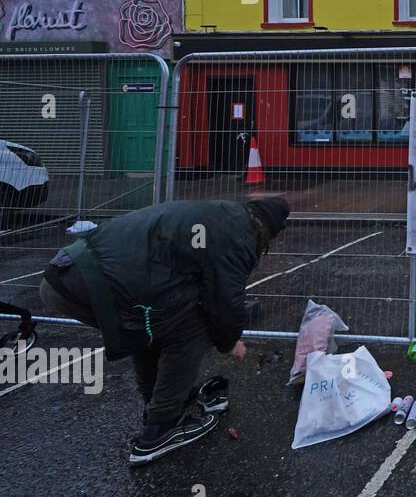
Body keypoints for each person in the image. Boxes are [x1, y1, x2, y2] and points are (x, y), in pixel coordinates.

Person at [39, 197, 290, 465]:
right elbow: (224, 302)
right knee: (194, 328)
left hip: (64, 274)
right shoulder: (239, 235)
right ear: (266, 230)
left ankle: (159, 400)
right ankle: (161, 427)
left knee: (153, 324)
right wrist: (229, 342)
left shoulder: (218, 214)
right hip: (89, 283)